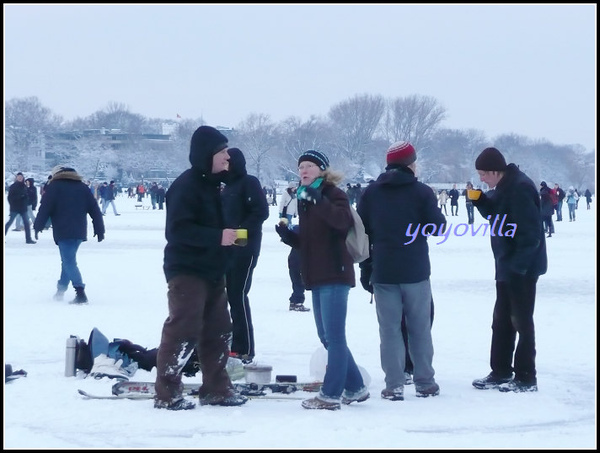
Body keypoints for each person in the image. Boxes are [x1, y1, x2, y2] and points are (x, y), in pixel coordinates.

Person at [153, 125, 248, 411]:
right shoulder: (185, 186)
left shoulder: (214, 183)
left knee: (219, 330)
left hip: (212, 269)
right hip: (187, 270)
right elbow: (178, 231)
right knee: (183, 330)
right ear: (208, 154)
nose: (227, 157)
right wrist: (217, 236)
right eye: (222, 152)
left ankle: (216, 389)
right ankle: (167, 393)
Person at [275, 149, 368, 411]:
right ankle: (356, 388)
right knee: (326, 336)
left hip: (335, 273)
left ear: (322, 170)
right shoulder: (305, 198)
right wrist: (289, 236)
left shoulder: (332, 194)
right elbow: (311, 240)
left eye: (309, 166)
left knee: (335, 337)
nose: (303, 170)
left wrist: (319, 200)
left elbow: (341, 223)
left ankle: (330, 394)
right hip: (317, 274)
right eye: (301, 167)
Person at [357, 141, 445, 401]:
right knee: (419, 327)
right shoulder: (422, 192)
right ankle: (425, 381)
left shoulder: (371, 193)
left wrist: (366, 267)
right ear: (411, 164)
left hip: (383, 270)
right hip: (416, 270)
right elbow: (437, 228)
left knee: (389, 330)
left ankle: (394, 384)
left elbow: (363, 233)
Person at [470, 147, 547, 393]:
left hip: (521, 269)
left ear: (495, 170)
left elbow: (531, 235)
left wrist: (518, 268)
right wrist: (480, 200)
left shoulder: (521, 188)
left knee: (521, 321)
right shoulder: (503, 188)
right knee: (501, 320)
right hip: (506, 265)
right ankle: (501, 370)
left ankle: (526, 377)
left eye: (483, 173)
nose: (481, 178)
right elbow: (496, 215)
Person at [221, 147, 270, 364]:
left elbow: (260, 212)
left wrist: (239, 235)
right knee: (228, 296)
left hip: (245, 247)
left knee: (238, 295)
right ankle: (232, 343)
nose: (224, 165)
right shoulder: (226, 186)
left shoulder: (249, 182)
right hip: (227, 248)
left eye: (227, 162)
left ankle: (245, 347)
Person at [33, 166, 105, 303]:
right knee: (67, 260)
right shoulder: (82, 187)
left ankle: (80, 292)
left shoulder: (54, 186)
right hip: (79, 230)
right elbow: (94, 209)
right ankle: (60, 290)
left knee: (69, 261)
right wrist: (99, 229)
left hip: (63, 229)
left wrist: (38, 226)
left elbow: (45, 207)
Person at [277, 222, 309, 312]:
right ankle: (297, 302)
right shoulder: (304, 230)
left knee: (297, 282)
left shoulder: (299, 229)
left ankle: (295, 301)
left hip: (293, 261)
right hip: (298, 262)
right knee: (299, 283)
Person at [5, 172, 37, 244]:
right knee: (9, 223)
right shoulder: (13, 186)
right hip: (15, 208)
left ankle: (28, 239)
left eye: (21, 177)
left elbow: (27, 195)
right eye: (18, 177)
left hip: (23, 208)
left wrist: (27, 200)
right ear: (16, 178)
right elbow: (10, 198)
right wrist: (20, 197)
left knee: (26, 223)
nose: (20, 178)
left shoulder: (24, 186)